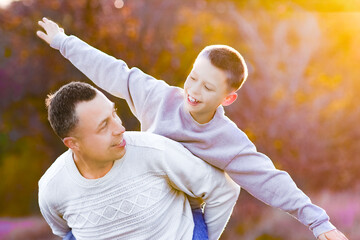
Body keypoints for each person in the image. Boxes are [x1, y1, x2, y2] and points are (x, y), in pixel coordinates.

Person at [36, 17, 349, 240]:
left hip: (182, 215)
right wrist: (64, 42)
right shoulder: (157, 97)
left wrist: (318, 222)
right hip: (141, 190)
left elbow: (269, 179)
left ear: (228, 97)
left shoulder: (225, 139)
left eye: (208, 87)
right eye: (193, 77)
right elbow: (113, 71)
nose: (194, 91)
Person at [38, 81, 240, 240]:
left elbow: (223, 190)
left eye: (114, 113)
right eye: (103, 126)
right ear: (73, 144)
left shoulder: (154, 151)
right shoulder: (52, 188)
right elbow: (65, 230)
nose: (120, 129)